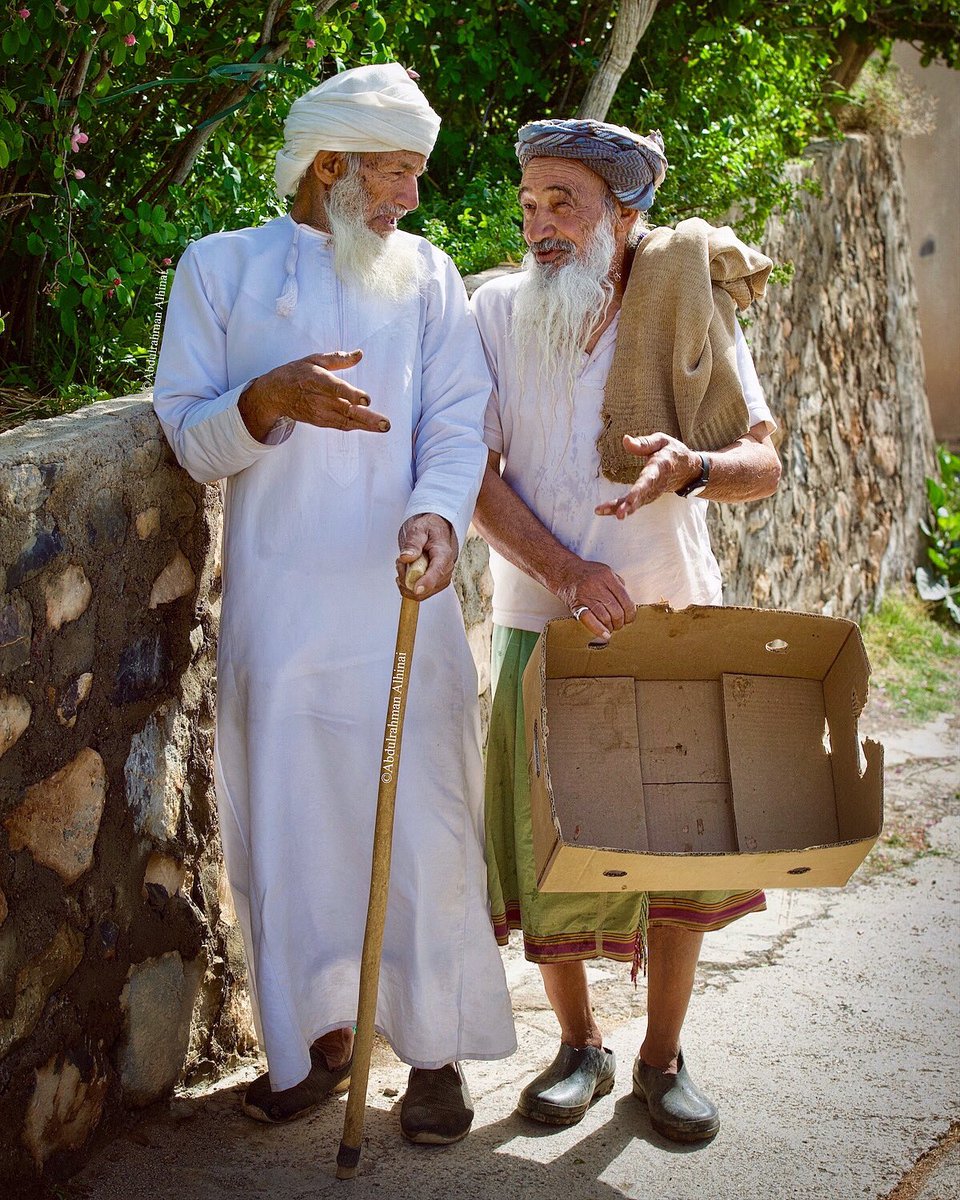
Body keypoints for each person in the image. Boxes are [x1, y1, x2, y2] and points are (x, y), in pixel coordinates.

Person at [153, 63, 516, 1145]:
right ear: (330, 167)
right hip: (283, 614)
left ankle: (438, 1059)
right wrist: (264, 401)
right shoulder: (222, 271)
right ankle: (313, 1045)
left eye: (414, 175)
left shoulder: (433, 276)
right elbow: (186, 433)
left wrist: (439, 517)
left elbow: (456, 421)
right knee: (293, 833)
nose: (410, 197)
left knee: (427, 834)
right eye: (397, 173)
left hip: (405, 602)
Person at [471, 117, 782, 1143]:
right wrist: (563, 570)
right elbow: (468, 474)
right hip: (536, 621)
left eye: (565, 202)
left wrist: (692, 468)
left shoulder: (684, 301)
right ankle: (578, 1047)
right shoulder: (496, 311)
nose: (541, 224)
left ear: (624, 213)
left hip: (670, 623)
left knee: (675, 853)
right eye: (529, 204)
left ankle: (661, 1057)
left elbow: (765, 465)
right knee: (549, 848)